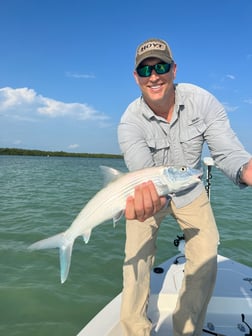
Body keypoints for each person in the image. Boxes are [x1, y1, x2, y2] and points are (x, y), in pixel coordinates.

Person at [117, 38, 252, 336]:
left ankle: (187, 330)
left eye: (161, 66)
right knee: (135, 258)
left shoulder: (202, 102)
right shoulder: (129, 122)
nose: (154, 75)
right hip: (151, 195)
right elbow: (143, 176)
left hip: (190, 189)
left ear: (174, 69)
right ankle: (132, 329)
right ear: (136, 77)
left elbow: (228, 152)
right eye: (145, 69)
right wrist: (152, 201)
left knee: (205, 251)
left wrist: (246, 169)